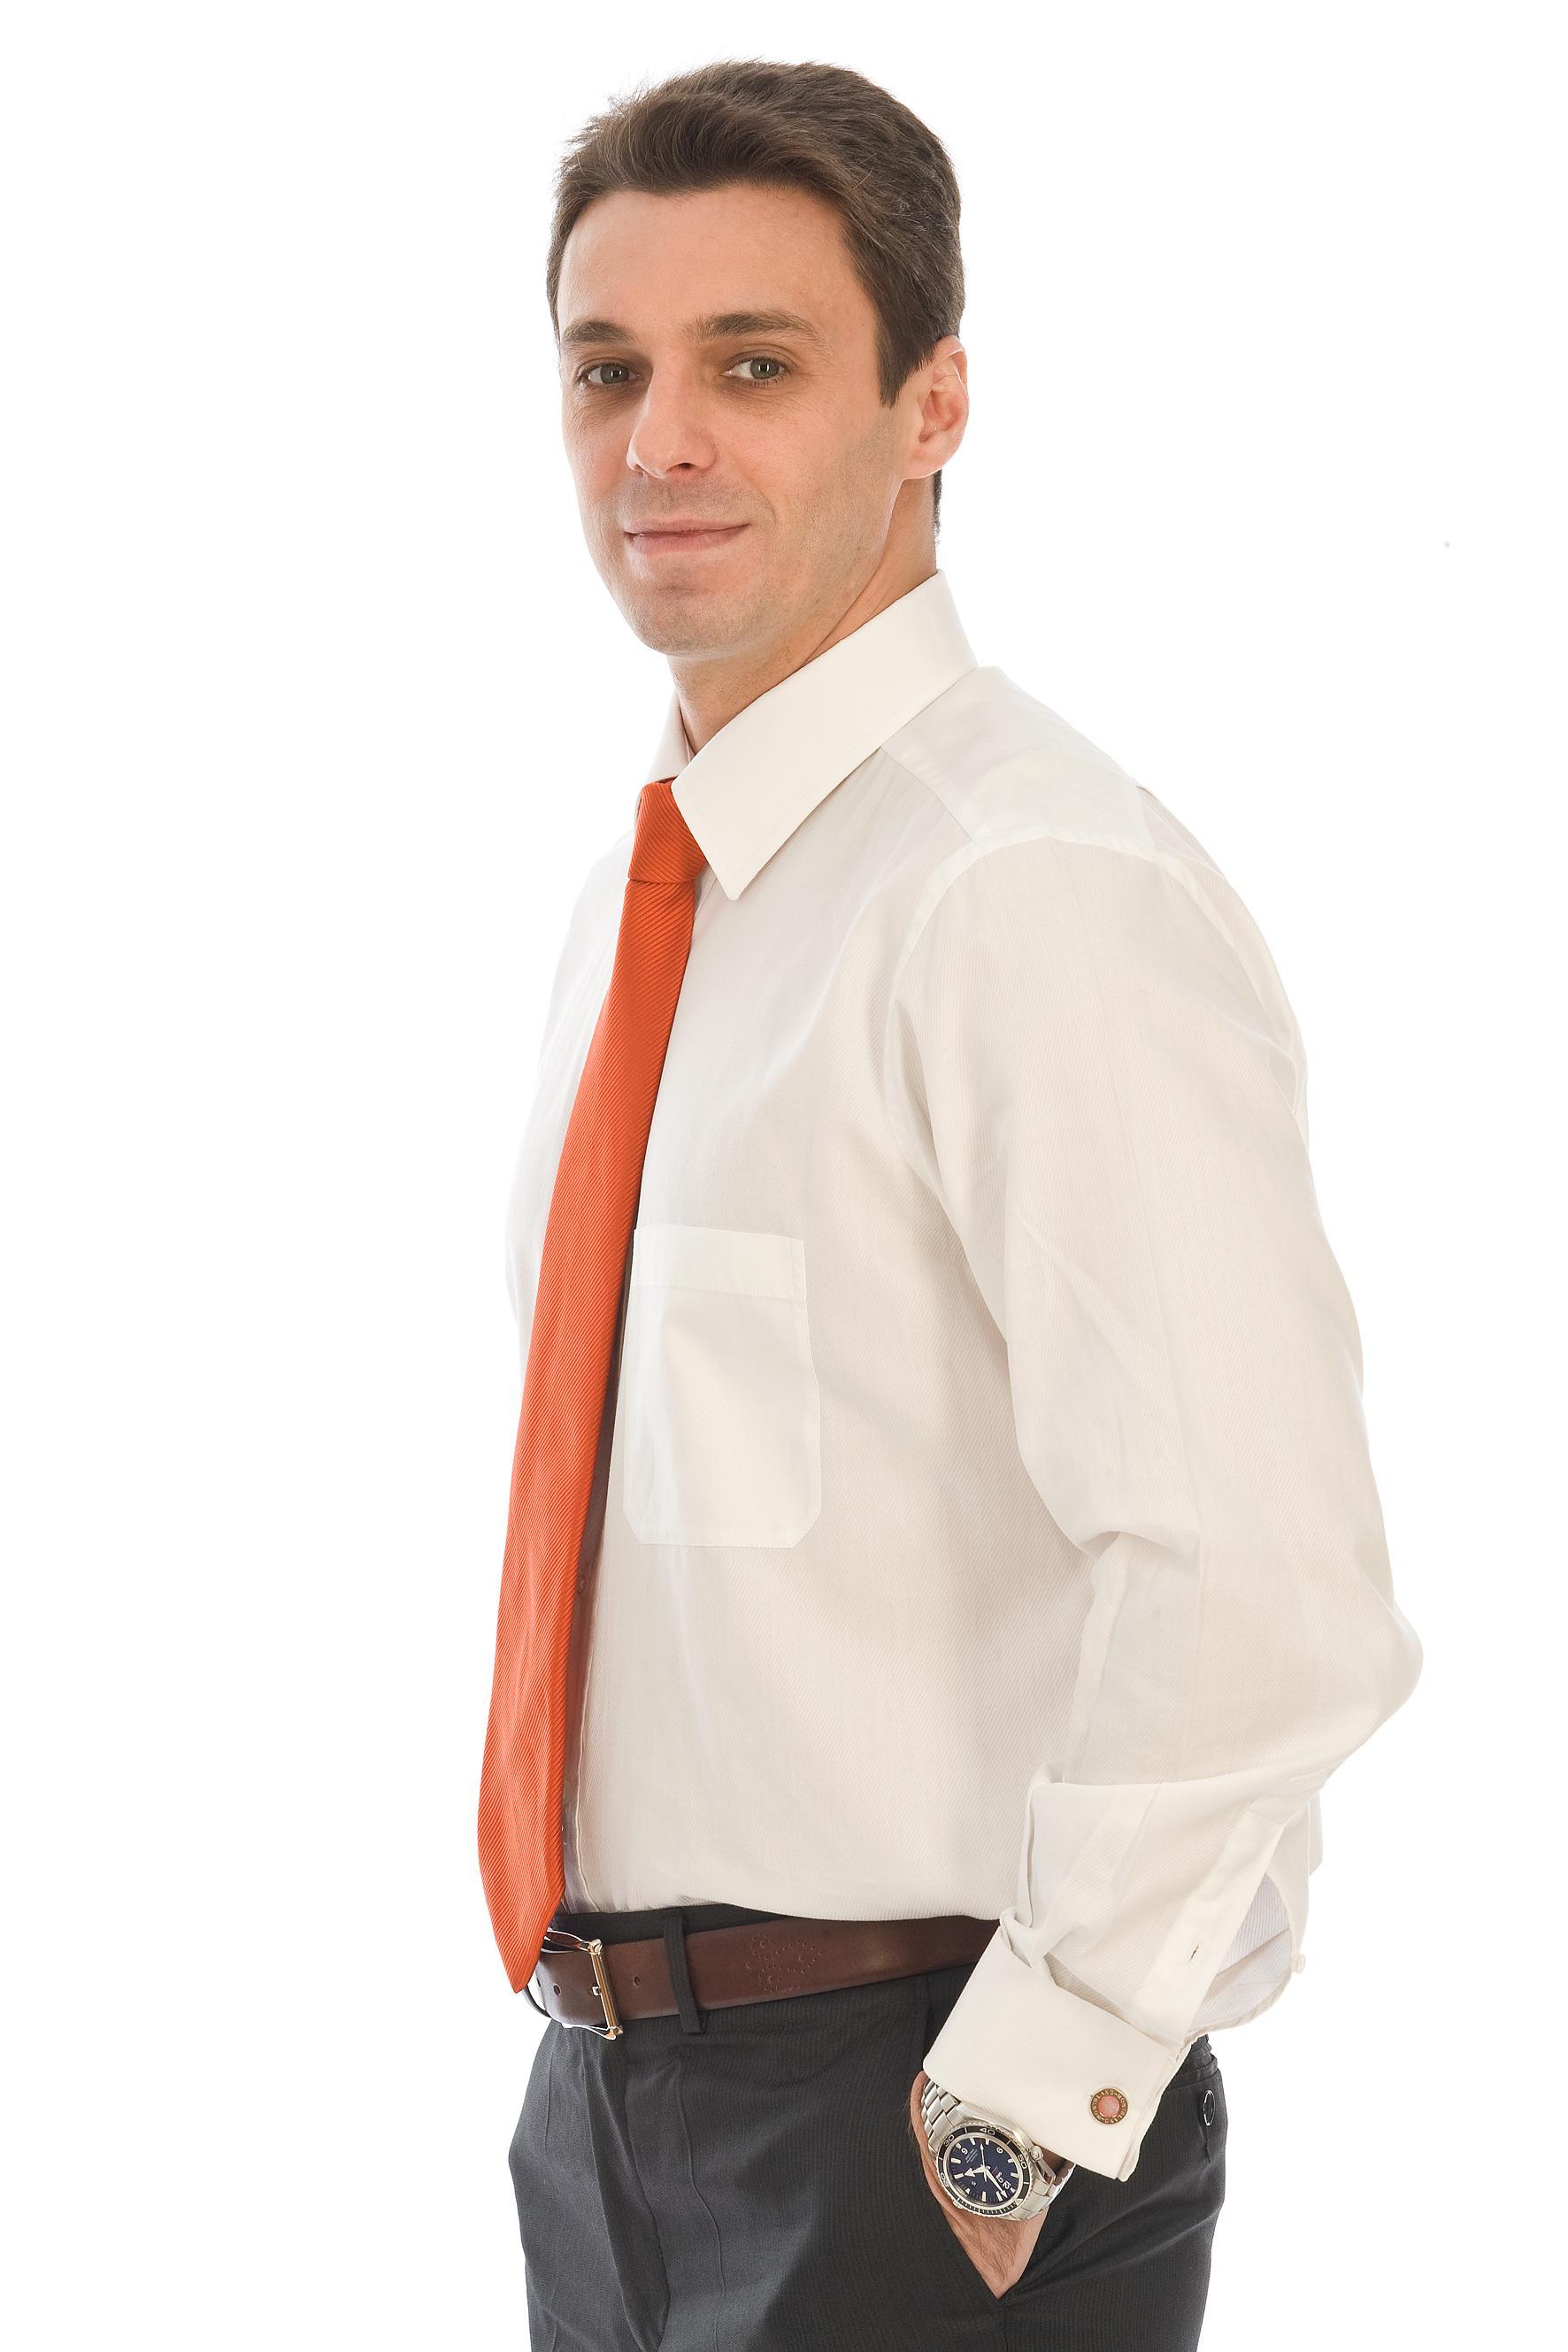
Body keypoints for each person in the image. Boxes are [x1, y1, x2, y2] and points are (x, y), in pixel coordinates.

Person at [477, 55, 1423, 2351]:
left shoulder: (1026, 889)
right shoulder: (650, 905)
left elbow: (1259, 1579)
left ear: (933, 406)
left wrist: (1018, 2107)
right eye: (607, 371)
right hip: (612, 2116)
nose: (659, 441)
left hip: (920, 2119)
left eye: (752, 366)